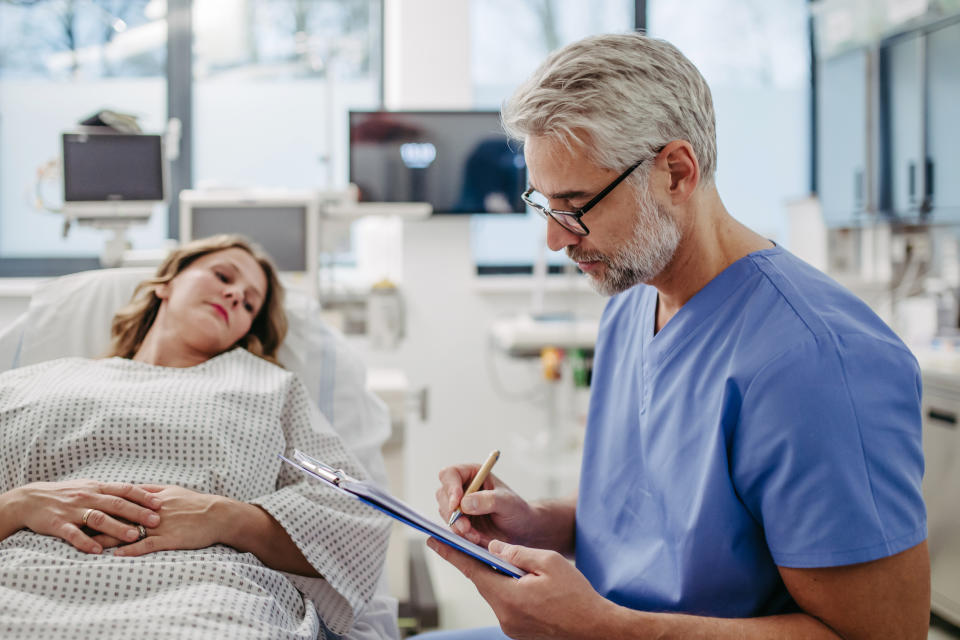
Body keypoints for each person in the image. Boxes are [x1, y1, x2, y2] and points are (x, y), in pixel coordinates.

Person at [420, 33, 929, 640]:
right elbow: (666, 522)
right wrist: (538, 524)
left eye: (576, 204)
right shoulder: (632, 300)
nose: (556, 240)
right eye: (544, 204)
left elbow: (880, 635)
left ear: (676, 172)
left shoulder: (817, 362)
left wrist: (607, 628)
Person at [0, 234, 393, 639]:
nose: (236, 295)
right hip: (21, 588)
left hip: (206, 600)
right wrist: (16, 505)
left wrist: (224, 518)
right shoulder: (33, 383)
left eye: (250, 303)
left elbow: (356, 524)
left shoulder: (267, 388)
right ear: (165, 283)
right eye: (224, 275)